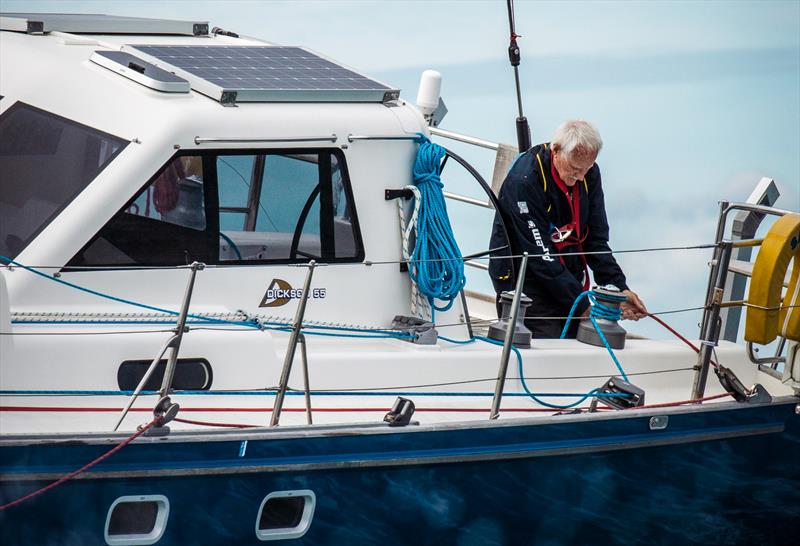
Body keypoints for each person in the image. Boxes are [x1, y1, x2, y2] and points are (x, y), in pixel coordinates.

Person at [488, 120, 647, 338]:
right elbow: (540, 256)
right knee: (549, 348)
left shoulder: (589, 174)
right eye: (574, 168)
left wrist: (618, 289)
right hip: (526, 280)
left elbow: (596, 240)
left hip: (566, 277)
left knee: (579, 342)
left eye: (587, 168)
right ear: (556, 151)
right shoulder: (524, 181)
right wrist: (580, 303)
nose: (580, 176)